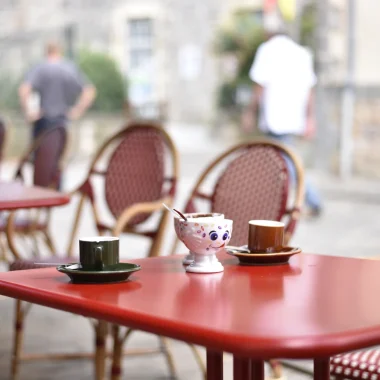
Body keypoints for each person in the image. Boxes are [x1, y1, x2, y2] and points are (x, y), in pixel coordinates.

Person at [241, 16, 322, 217]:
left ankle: (311, 199)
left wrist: (250, 112)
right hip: (294, 116)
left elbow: (259, 85)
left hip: (275, 117)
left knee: (286, 161)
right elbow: (310, 89)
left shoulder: (267, 51)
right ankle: (281, 202)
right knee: (284, 160)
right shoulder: (302, 52)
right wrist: (310, 118)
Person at [18, 41, 96, 141]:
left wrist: (29, 112)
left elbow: (24, 90)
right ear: (60, 51)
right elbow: (89, 90)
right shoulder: (70, 69)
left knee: (39, 154)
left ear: (46, 51)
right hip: (63, 122)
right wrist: (77, 111)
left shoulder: (40, 68)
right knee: (58, 153)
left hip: (43, 121)